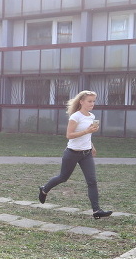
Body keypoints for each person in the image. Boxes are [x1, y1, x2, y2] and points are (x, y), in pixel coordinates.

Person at [38, 90, 112, 219]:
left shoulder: (91, 116)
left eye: (94, 101)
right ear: (81, 101)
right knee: (63, 177)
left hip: (86, 153)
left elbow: (88, 134)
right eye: (89, 101)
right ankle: (44, 189)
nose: (92, 103)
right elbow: (69, 135)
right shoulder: (75, 116)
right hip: (72, 153)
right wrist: (87, 130)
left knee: (92, 181)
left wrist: (92, 145)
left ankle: (96, 211)